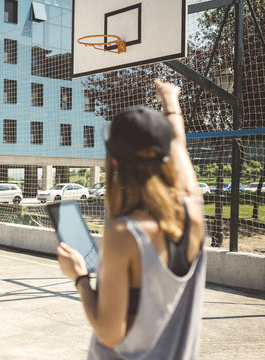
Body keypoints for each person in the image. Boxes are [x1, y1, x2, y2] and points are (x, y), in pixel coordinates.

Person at [57, 79, 206, 359]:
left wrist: (79, 278)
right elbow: (179, 147)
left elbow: (110, 332)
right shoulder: (192, 208)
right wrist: (170, 101)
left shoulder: (124, 232)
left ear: (114, 161)